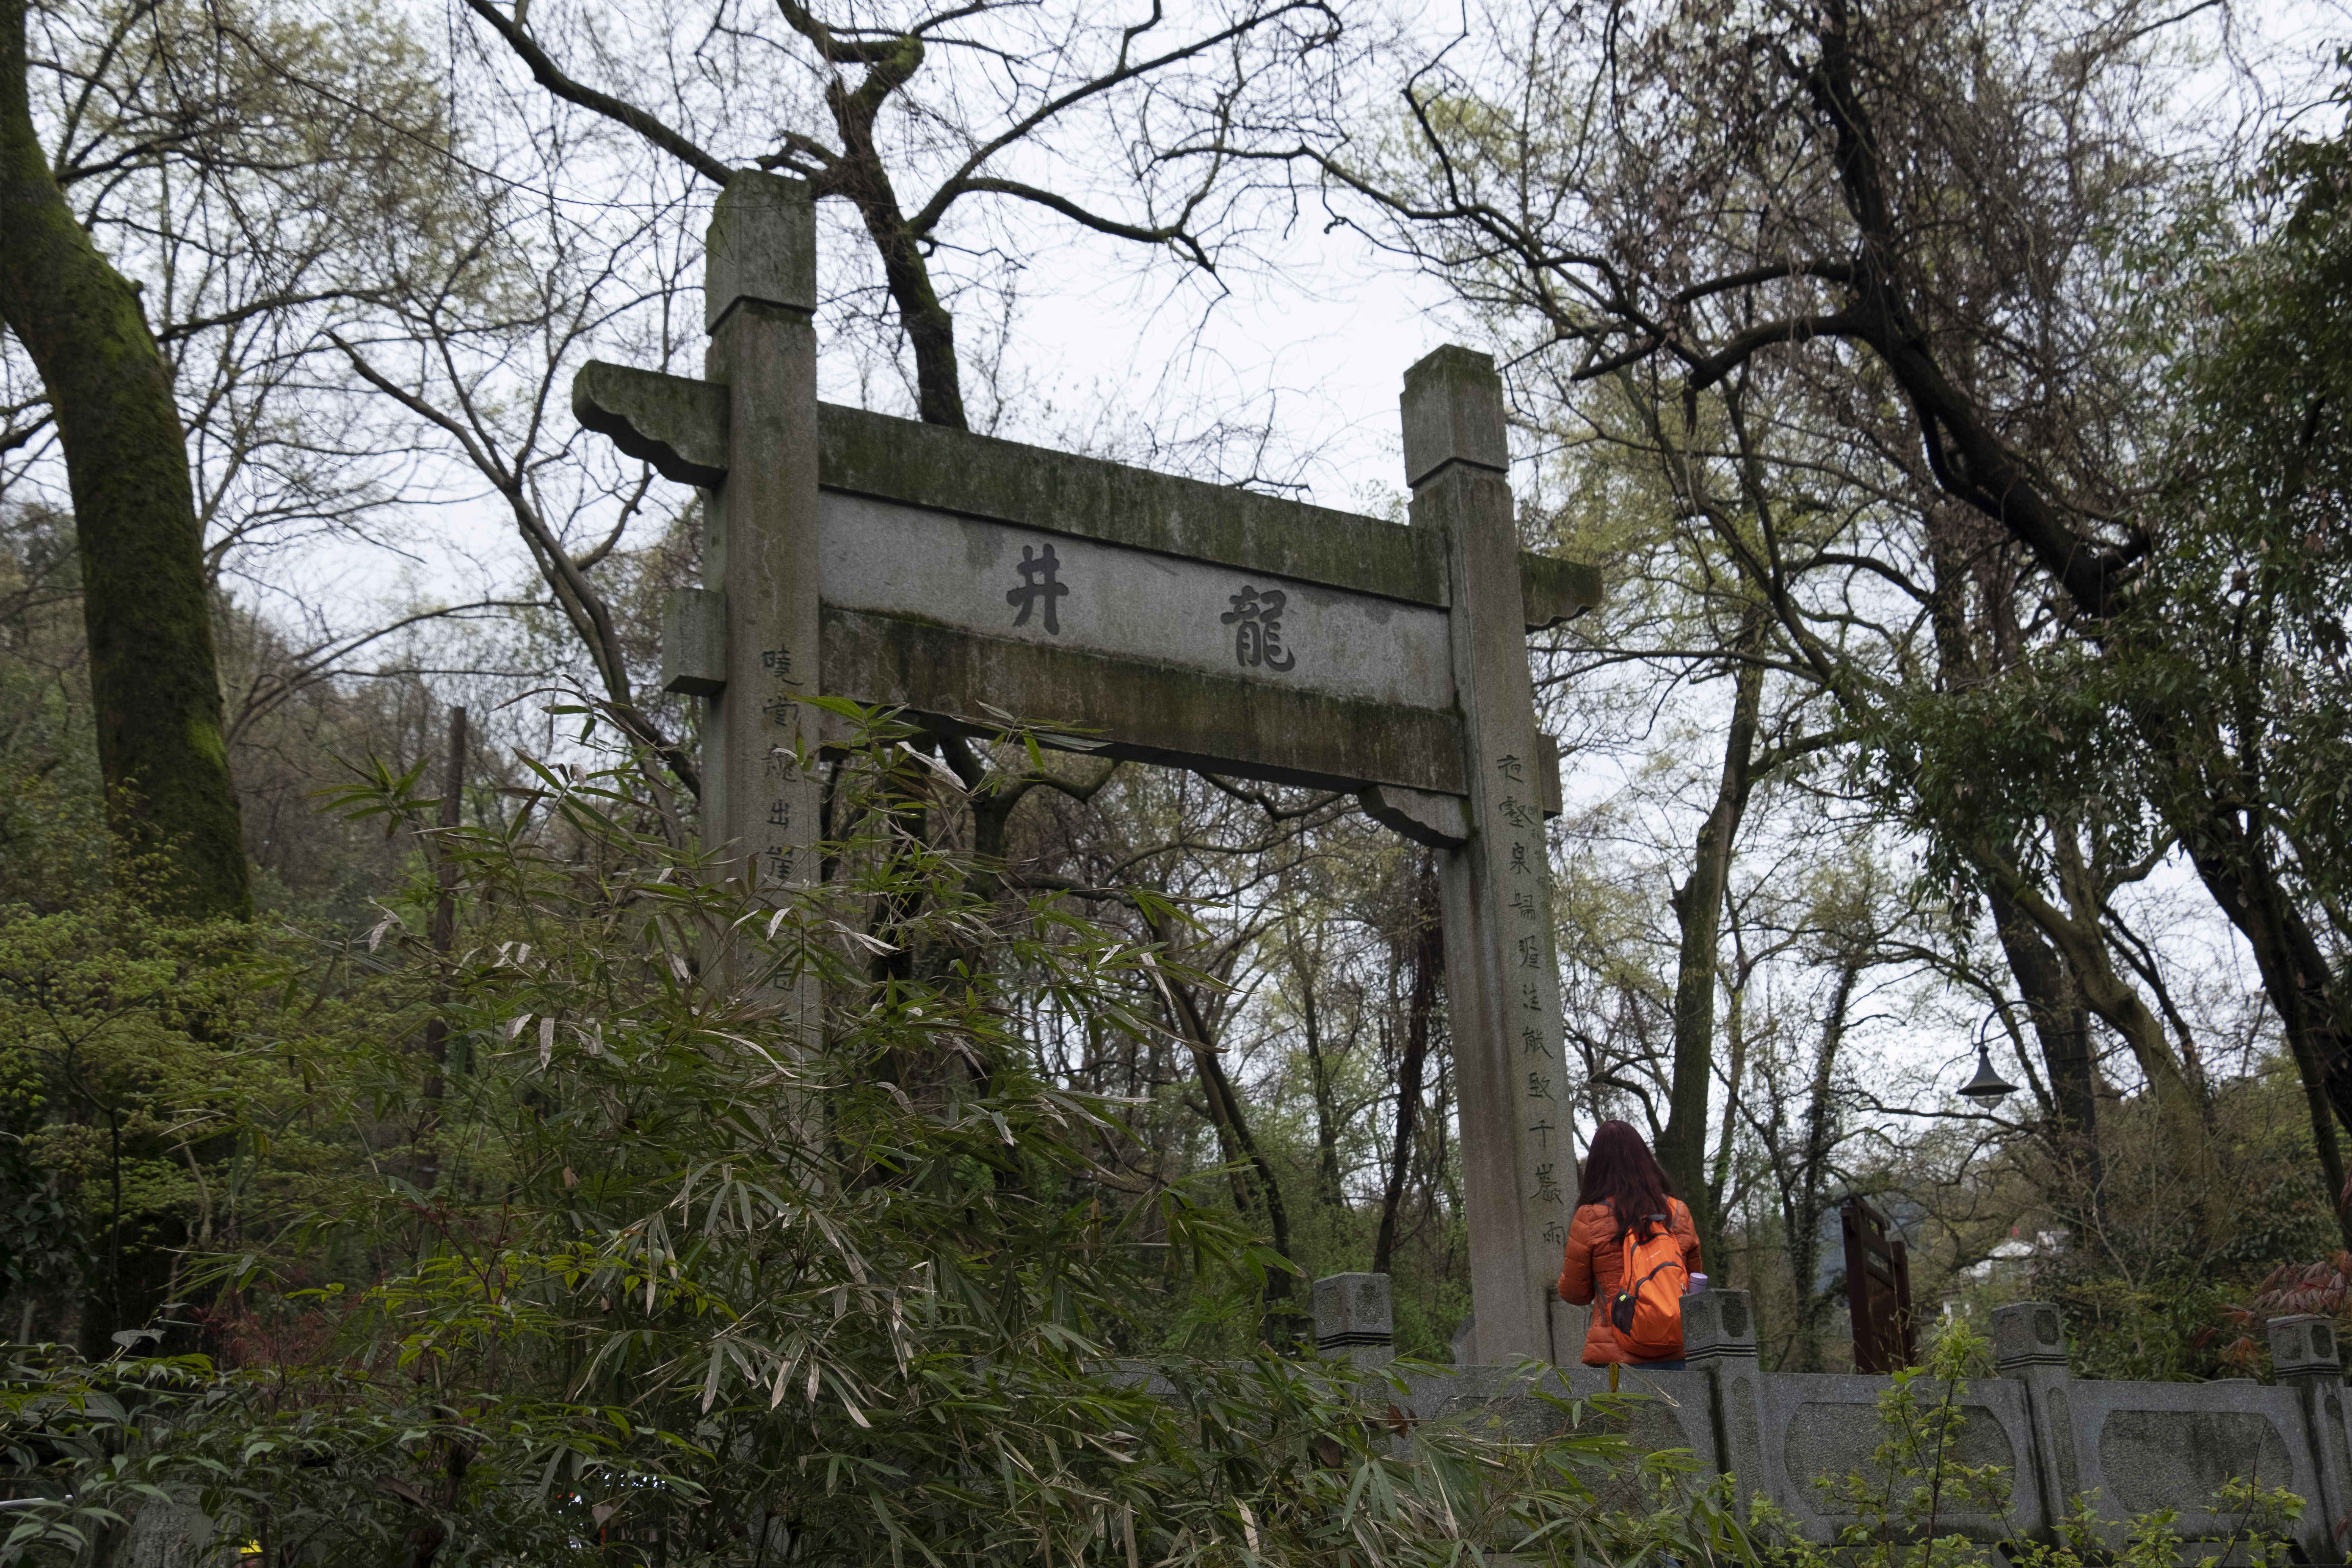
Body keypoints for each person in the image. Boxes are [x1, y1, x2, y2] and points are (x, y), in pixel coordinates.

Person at [1556, 1120, 1703, 1369]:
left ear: (1596, 1166)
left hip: (1616, 1357)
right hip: (1678, 1350)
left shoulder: (1590, 1217)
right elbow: (1695, 1281)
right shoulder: (1678, 1213)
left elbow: (1575, 1294)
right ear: (1644, 1159)